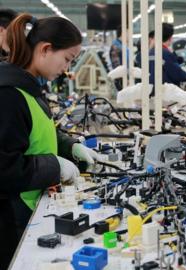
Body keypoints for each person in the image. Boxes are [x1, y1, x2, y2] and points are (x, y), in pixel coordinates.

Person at [0, 14, 98, 269]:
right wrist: (54, 166)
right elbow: (4, 167)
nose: (66, 69)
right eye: (67, 59)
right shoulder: (8, 96)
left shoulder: (29, 88)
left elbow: (40, 131)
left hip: (30, 207)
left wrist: (70, 147)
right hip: (9, 221)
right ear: (45, 49)